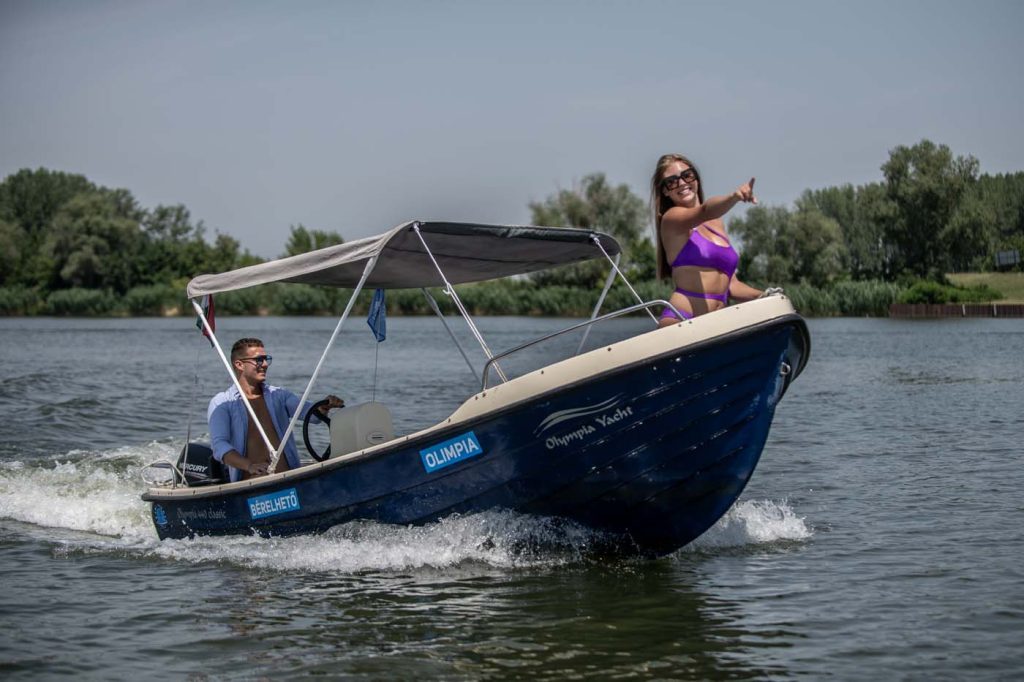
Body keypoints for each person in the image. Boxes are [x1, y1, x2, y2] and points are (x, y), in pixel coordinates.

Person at [208, 337, 344, 482]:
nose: (265, 364)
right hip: (252, 485)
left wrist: (324, 406)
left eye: (266, 359)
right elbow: (219, 446)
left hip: (289, 481)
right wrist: (250, 466)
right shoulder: (222, 402)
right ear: (239, 364)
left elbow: (313, 416)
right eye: (259, 360)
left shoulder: (279, 395)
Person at [651, 153, 764, 326]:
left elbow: (731, 284)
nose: (682, 183)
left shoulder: (717, 223)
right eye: (672, 181)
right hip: (682, 320)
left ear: (696, 178)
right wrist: (734, 197)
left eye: (687, 175)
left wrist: (763, 296)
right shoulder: (671, 219)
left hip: (716, 324)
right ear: (665, 190)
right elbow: (704, 210)